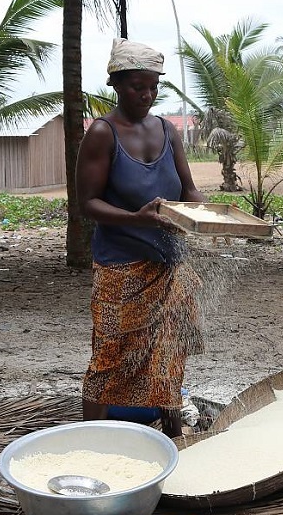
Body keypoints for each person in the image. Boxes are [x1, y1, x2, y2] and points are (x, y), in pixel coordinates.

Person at [76, 37, 207, 437]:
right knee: (110, 354)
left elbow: (188, 190)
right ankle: (91, 438)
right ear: (115, 84)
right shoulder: (102, 133)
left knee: (170, 350)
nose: (147, 95)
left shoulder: (167, 130)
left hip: (171, 264)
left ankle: (170, 431)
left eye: (153, 86)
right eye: (137, 86)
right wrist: (138, 218)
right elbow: (88, 203)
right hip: (122, 267)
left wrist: (206, 215)